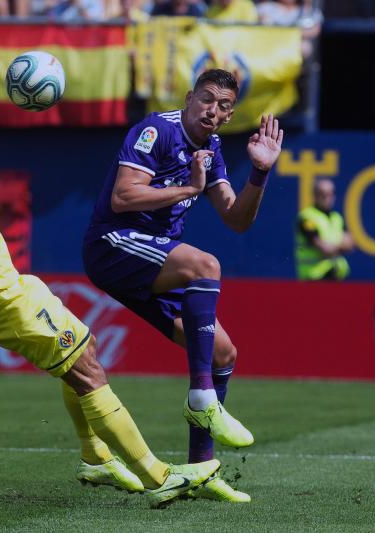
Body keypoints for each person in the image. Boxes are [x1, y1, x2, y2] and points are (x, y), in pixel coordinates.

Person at [0, 71, 222, 508]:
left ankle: (95, 457)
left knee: (84, 351)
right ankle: (157, 476)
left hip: (11, 284)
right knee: (87, 373)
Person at [81, 69, 284, 503]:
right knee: (204, 264)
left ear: (231, 115)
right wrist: (188, 186)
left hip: (153, 258)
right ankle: (202, 398)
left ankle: (200, 469)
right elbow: (123, 197)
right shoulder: (157, 130)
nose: (214, 110)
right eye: (207, 99)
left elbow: (236, 218)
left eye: (224, 105)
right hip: (112, 244)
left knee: (224, 352)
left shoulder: (211, 149)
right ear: (190, 98)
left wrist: (260, 174)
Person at [294, 177, 354, 281]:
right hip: (314, 278)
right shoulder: (307, 218)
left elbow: (350, 244)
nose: (327, 197)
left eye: (331, 193)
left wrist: (334, 247)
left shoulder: (337, 218)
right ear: (315, 195)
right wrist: (341, 247)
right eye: (322, 193)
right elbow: (324, 248)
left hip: (338, 276)